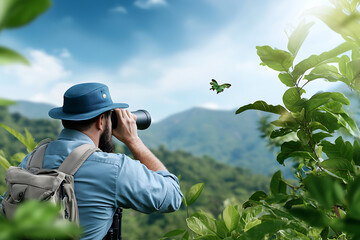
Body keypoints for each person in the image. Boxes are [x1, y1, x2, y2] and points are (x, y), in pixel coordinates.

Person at [18, 82, 183, 240]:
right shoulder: (114, 168)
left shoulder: (32, 159)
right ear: (101, 120)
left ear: (63, 120)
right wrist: (133, 141)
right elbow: (172, 196)